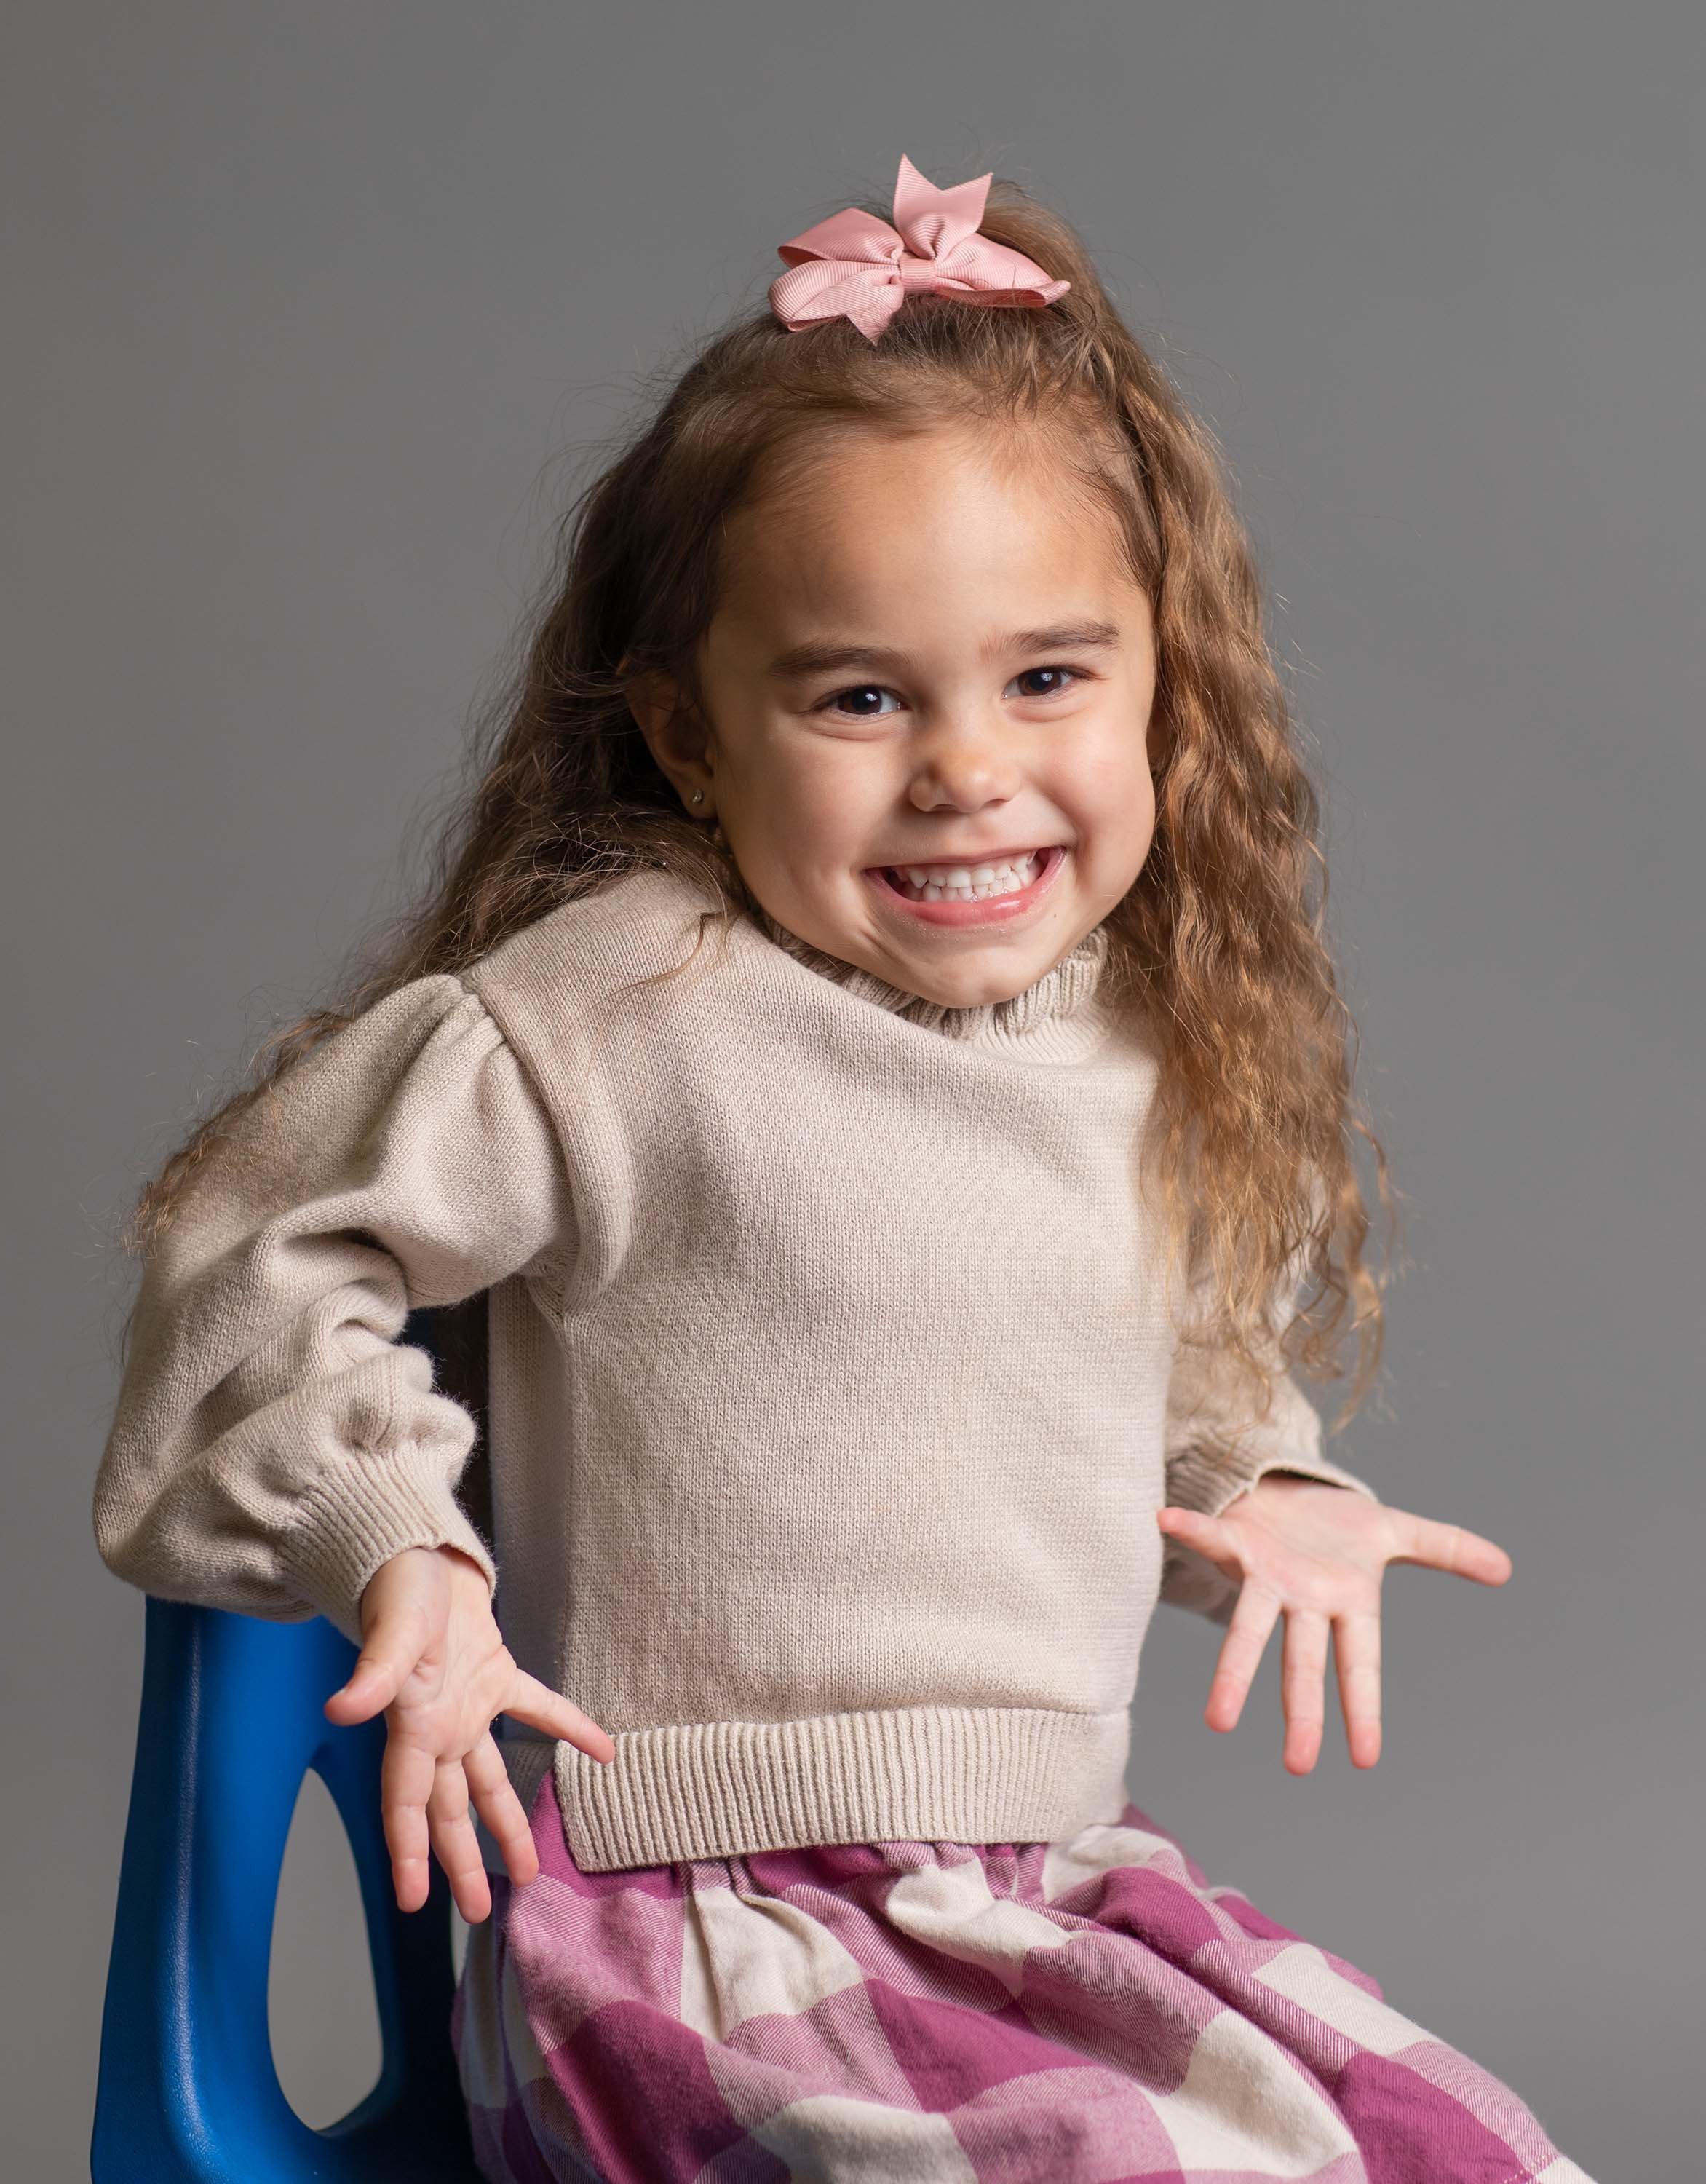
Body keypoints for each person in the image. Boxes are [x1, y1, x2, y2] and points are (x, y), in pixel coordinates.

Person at [93, 152, 1595, 2183]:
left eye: (1051, 677)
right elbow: (245, 1242)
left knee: (1451, 2147)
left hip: (1038, 1899)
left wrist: (1266, 1483)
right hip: (690, 1930)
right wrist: (407, 1548)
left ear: (1168, 687)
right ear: (692, 738)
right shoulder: (627, 1011)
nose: (968, 767)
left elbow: (1155, 1373)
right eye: (861, 697)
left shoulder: (1132, 1047)